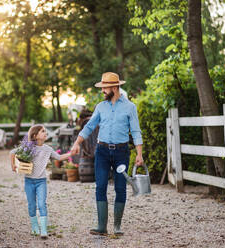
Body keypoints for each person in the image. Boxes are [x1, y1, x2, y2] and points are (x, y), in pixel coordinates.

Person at [71, 72, 144, 236]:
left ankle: (117, 226)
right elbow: (89, 127)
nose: (102, 90)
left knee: (120, 188)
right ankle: (101, 226)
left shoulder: (130, 107)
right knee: (101, 186)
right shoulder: (100, 107)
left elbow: (136, 131)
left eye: (104, 87)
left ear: (114, 87)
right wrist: (77, 143)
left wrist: (139, 154)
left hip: (121, 153)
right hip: (102, 152)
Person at [10, 124, 71, 239]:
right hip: (29, 181)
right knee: (32, 205)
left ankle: (43, 230)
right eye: (43, 131)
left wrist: (71, 154)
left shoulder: (48, 149)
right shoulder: (28, 147)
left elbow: (59, 157)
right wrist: (13, 165)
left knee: (42, 204)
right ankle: (34, 228)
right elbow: (12, 152)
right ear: (35, 135)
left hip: (41, 181)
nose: (45, 133)